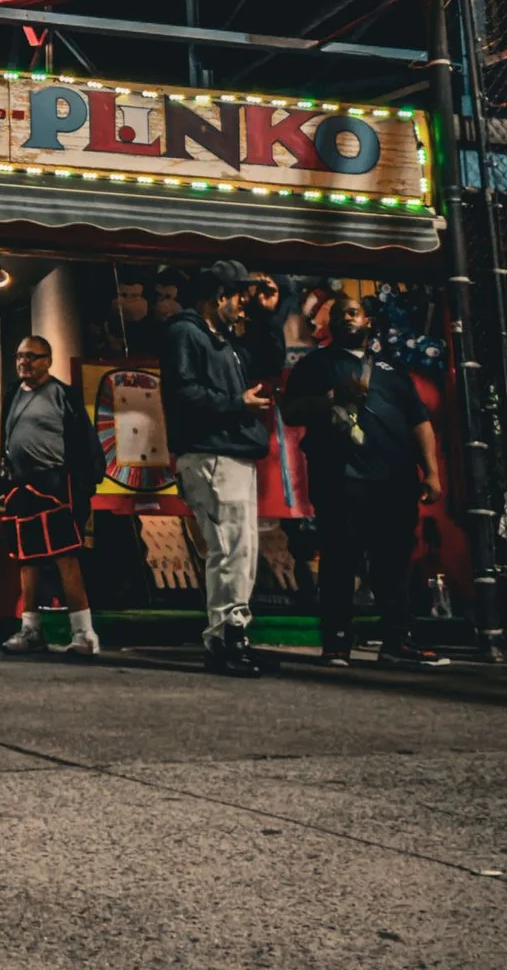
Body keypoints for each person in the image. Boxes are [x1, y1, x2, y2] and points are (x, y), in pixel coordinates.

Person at [282, 292, 446, 666]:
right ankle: (337, 641)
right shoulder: (315, 364)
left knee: (393, 562)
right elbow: (290, 411)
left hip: (395, 480)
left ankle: (396, 642)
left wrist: (431, 472)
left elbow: (419, 421)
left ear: (368, 321)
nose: (347, 319)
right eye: (339, 315)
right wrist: (330, 397)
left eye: (354, 313)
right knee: (340, 559)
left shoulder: (392, 369)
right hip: (341, 479)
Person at [157, 260, 272, 674]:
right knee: (229, 549)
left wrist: (267, 315)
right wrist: (236, 404)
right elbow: (183, 392)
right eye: (239, 296)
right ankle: (225, 638)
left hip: (230, 451)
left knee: (242, 550)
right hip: (211, 453)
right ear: (218, 297)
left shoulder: (221, 337)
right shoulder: (185, 333)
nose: (244, 304)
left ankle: (234, 632)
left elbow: (266, 359)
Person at [0, 335, 109, 658]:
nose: (24, 362)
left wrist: (83, 488)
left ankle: (84, 634)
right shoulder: (12, 393)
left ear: (48, 360)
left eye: (31, 357)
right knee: (27, 560)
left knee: (66, 559)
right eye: (19, 356)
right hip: (21, 486)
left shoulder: (64, 394)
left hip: (56, 486)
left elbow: (85, 446)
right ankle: (31, 630)